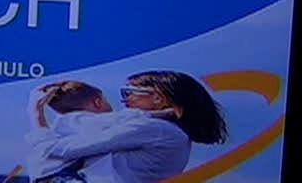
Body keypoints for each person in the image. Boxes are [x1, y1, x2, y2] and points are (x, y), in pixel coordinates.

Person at [27, 70, 229, 182]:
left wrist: (36, 113)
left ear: (158, 98)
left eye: (129, 93)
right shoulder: (171, 132)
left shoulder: (154, 129)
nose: (125, 101)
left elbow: (61, 150)